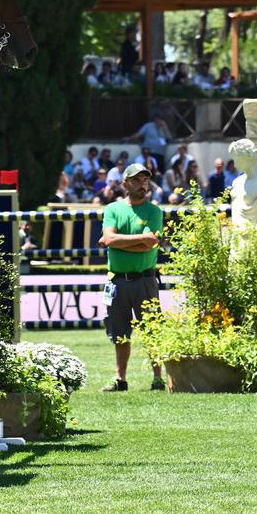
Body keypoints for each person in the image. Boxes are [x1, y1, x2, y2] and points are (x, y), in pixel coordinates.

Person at [97, 164, 165, 392]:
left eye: (145, 180)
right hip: (117, 281)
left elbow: (149, 244)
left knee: (152, 331)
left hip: (145, 280)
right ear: (125, 183)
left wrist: (116, 242)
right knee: (119, 333)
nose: (142, 184)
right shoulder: (113, 209)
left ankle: (158, 379)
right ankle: (121, 380)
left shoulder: (154, 211)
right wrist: (139, 239)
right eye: (136, 180)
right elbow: (112, 239)